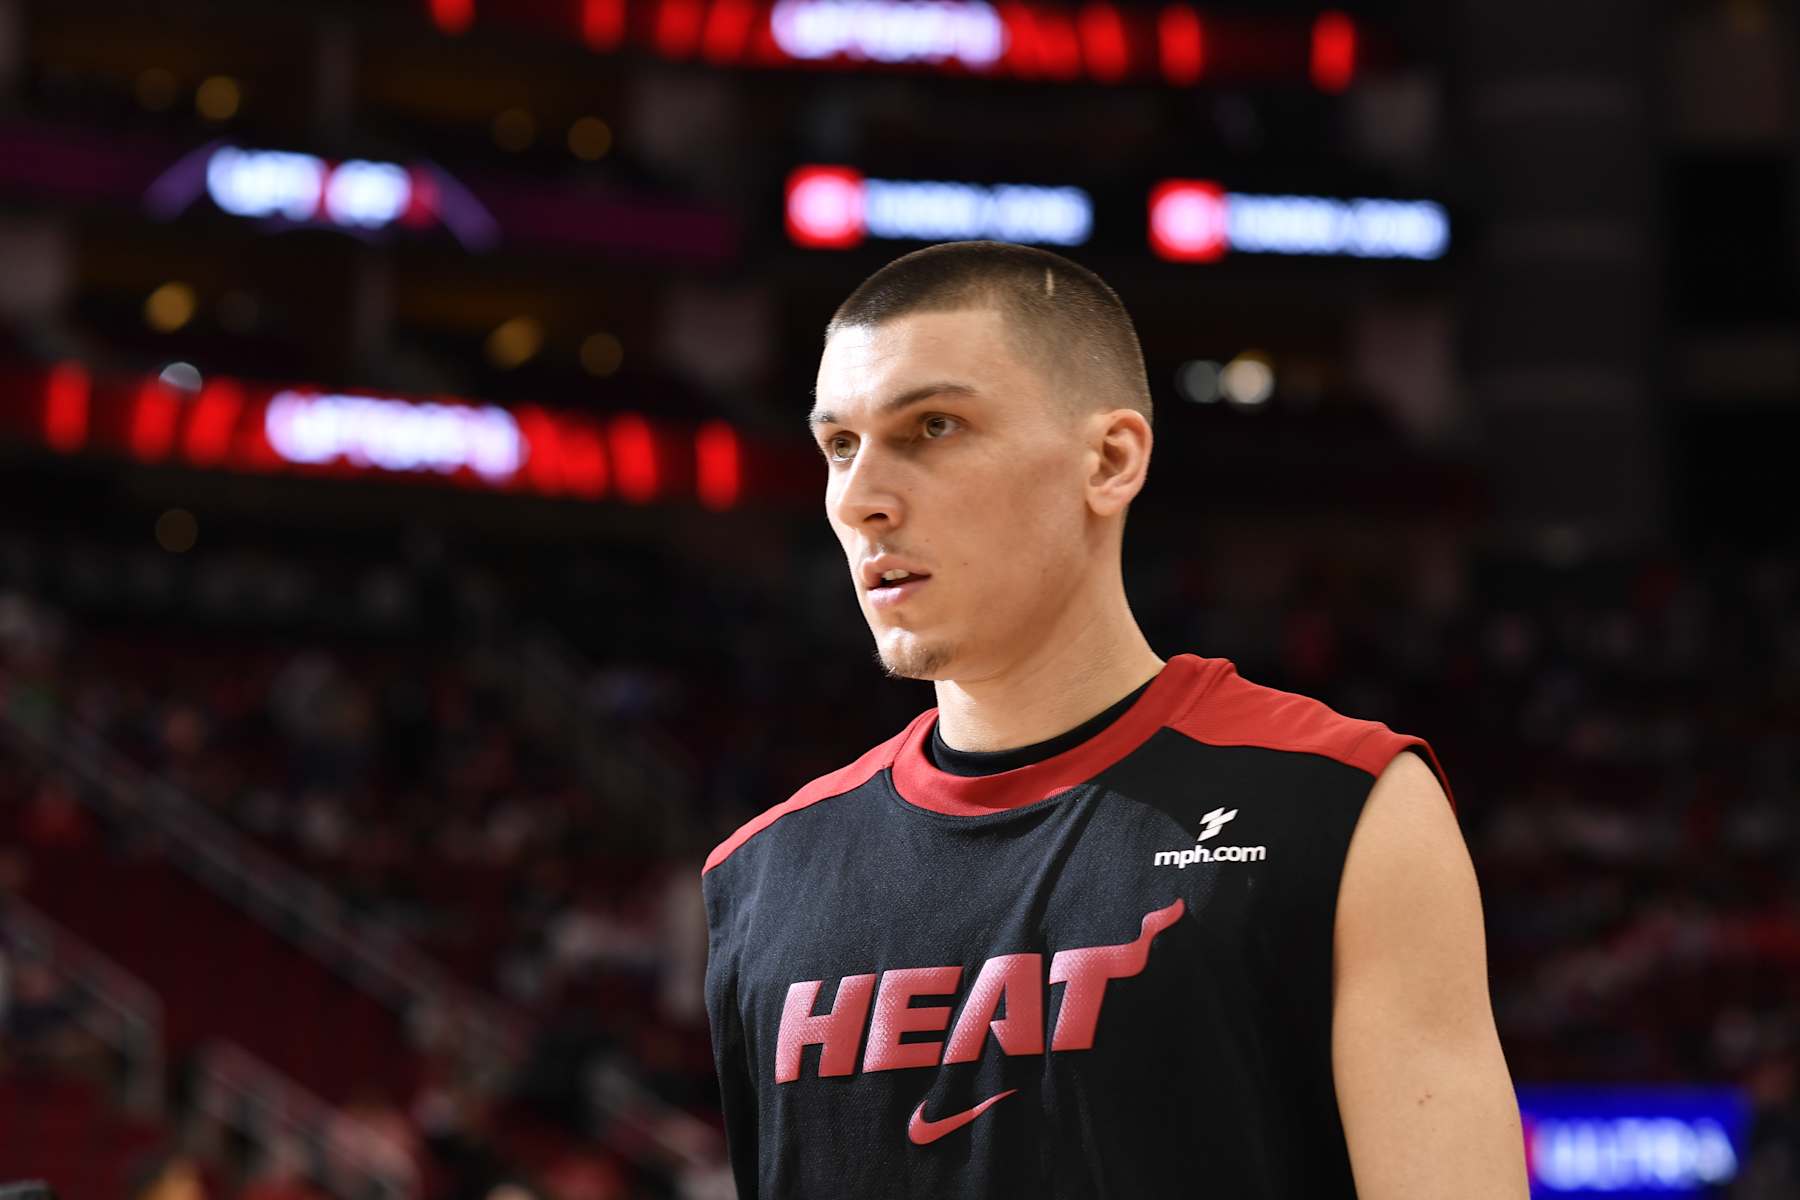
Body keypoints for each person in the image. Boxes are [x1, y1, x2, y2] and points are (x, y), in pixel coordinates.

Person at [701, 240, 1527, 1197]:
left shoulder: (1340, 805)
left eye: (932, 427)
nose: (861, 499)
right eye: (840, 445)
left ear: (1110, 458)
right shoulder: (759, 879)